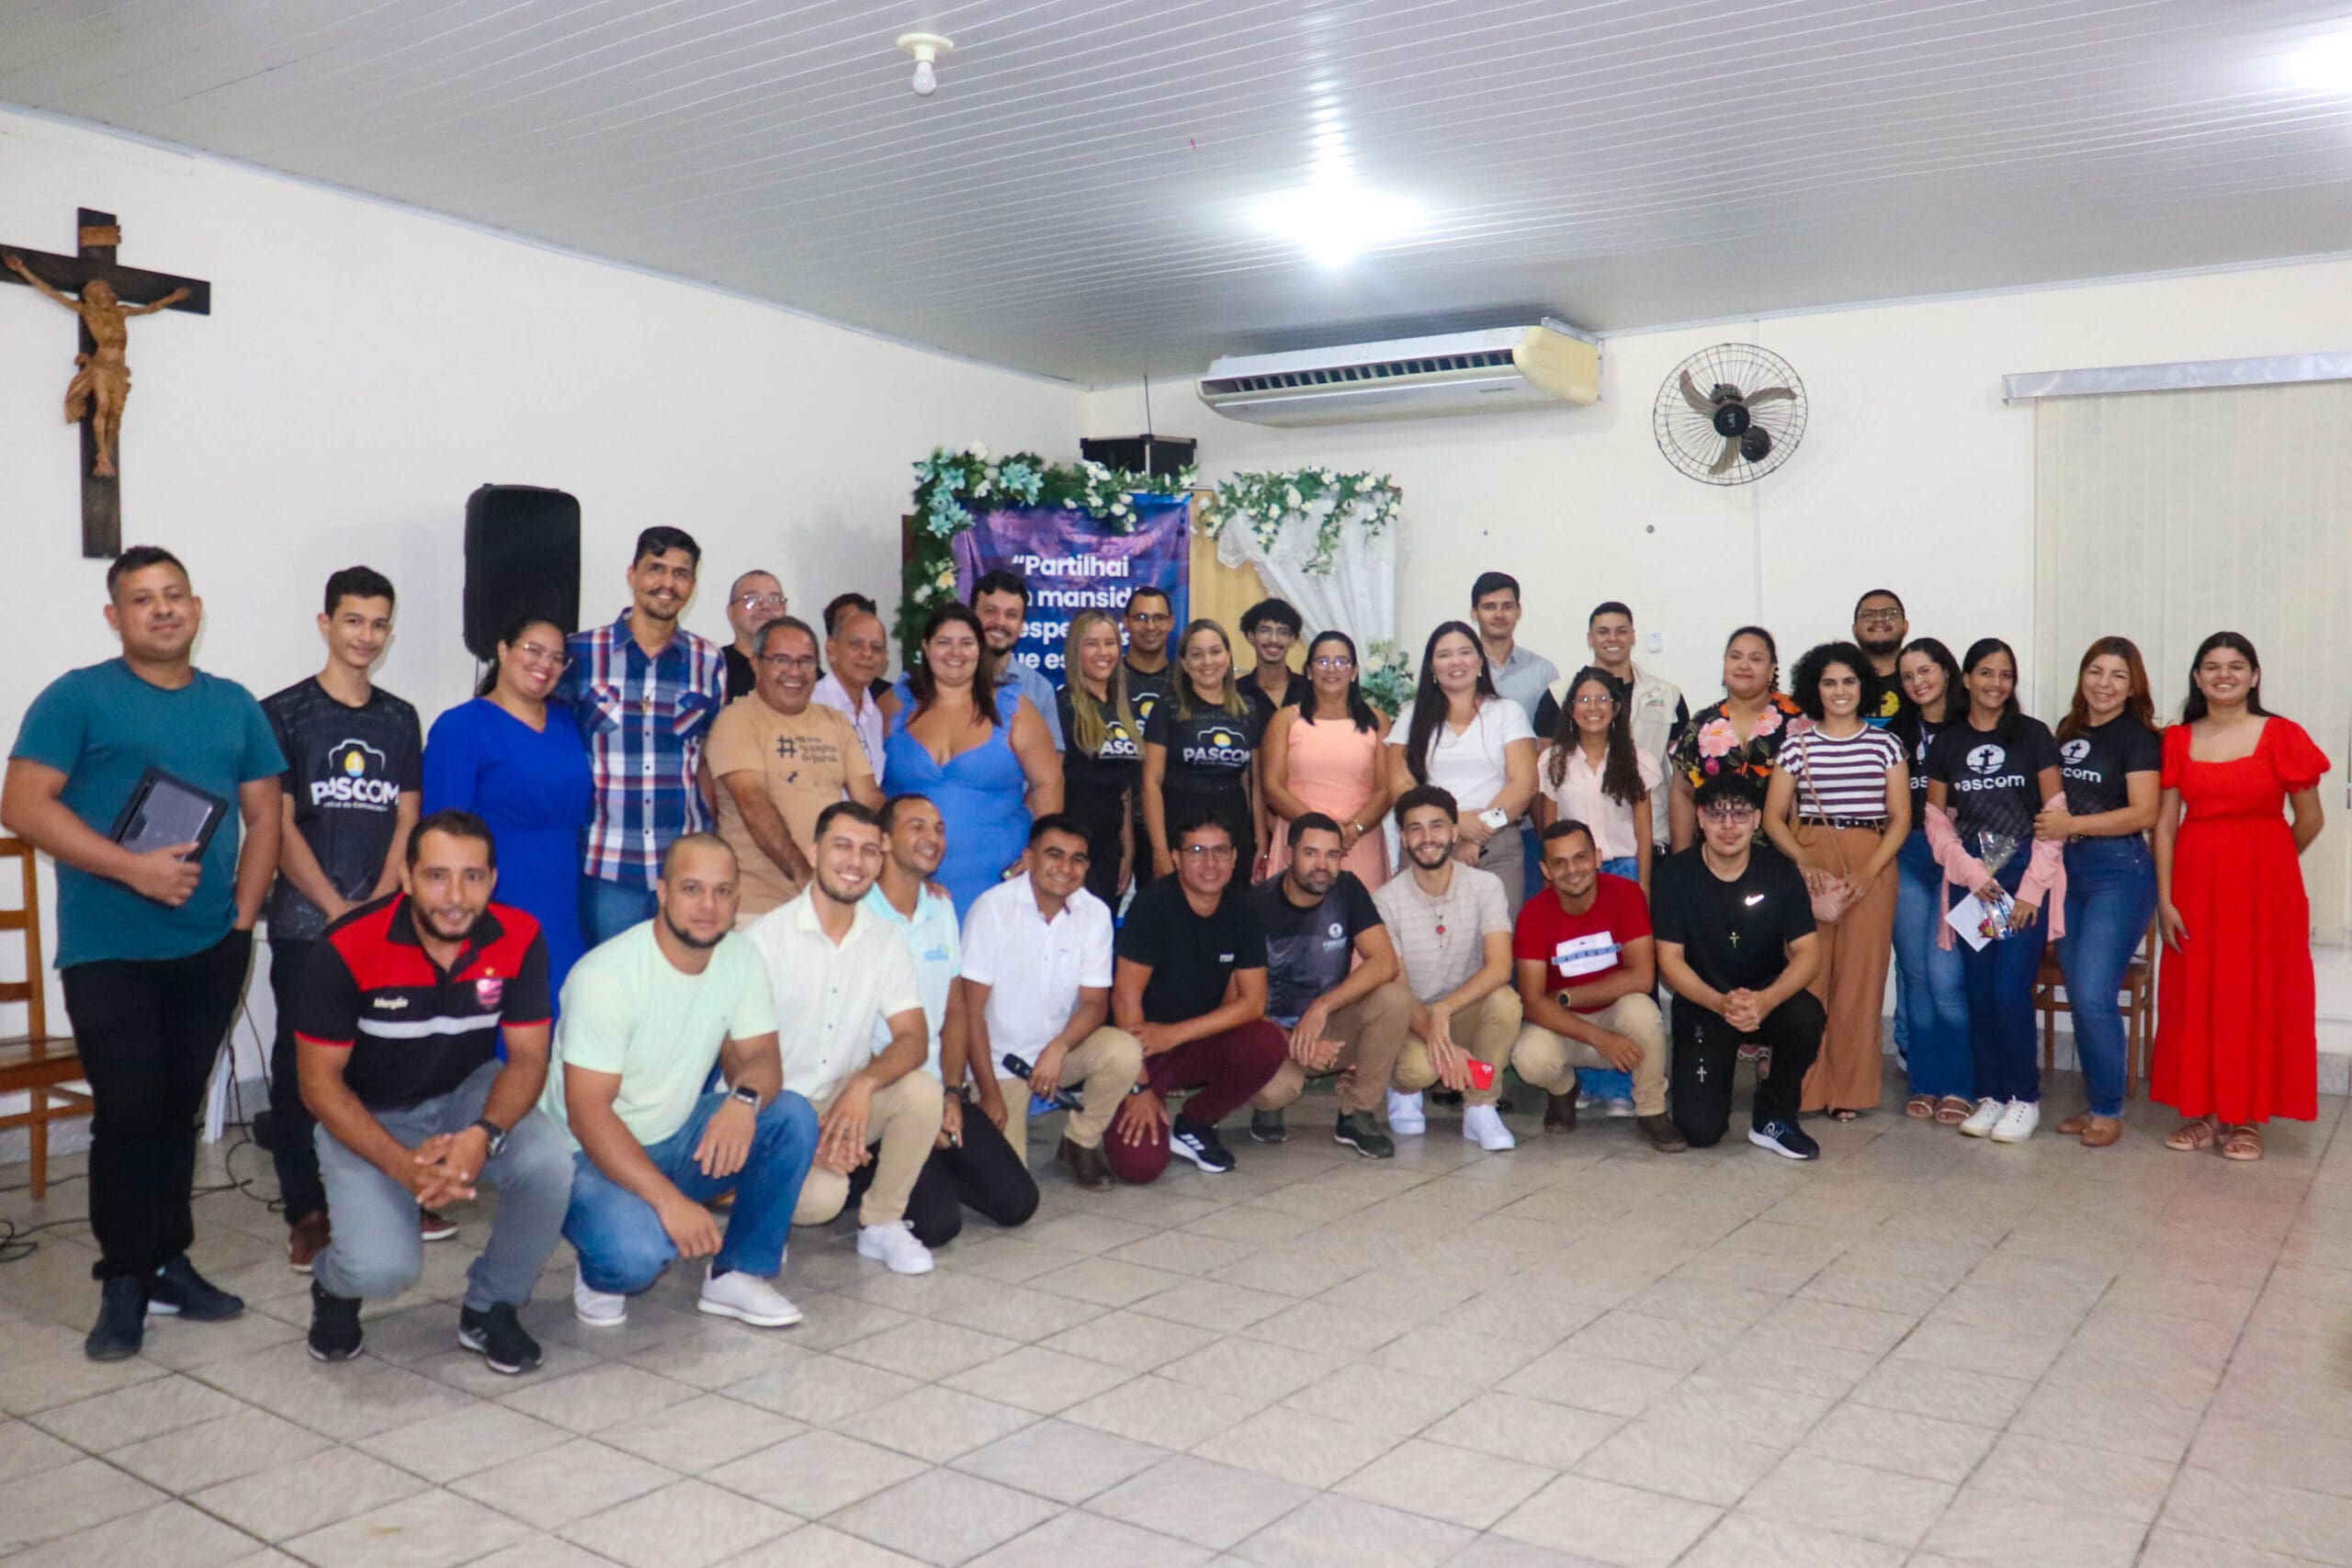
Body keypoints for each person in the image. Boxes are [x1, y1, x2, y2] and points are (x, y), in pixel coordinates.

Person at [3, 546, 284, 1361]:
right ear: (114, 616)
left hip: (210, 946)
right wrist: (132, 869)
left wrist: (242, 917)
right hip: (110, 948)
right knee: (128, 1112)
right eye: (142, 598)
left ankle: (169, 1261)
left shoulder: (234, 705)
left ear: (196, 608)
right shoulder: (77, 697)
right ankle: (123, 1279)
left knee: (176, 1108)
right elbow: (21, 803)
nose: (162, 609)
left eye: (174, 595)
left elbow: (266, 816)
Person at [291, 811, 572, 1371]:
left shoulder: (519, 936)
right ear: (407, 877)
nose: (456, 897)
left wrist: (482, 1136)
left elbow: (527, 1059)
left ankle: (491, 1306)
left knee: (549, 1162)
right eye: (437, 876)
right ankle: (334, 1285)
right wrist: (405, 1168)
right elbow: (318, 1085)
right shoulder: (347, 946)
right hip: (366, 1112)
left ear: (493, 880)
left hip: (464, 1095)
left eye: (473, 877)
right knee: (383, 1271)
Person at [548, 835, 819, 1328]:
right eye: (692, 889)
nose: (708, 906)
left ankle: (737, 1273)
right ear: (663, 892)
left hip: (672, 1136)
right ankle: (599, 1268)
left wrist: (742, 1101)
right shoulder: (606, 976)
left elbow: (762, 1060)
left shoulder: (740, 958)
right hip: (583, 1154)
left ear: (737, 900)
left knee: (790, 1116)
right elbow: (588, 1115)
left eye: (722, 891)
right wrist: (670, 1203)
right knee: (636, 1256)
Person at [261, 567, 424, 1272]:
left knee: (385, 1059)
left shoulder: (400, 717)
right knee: (302, 1066)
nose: (367, 635)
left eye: (379, 623)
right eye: (354, 620)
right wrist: (335, 909)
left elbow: (407, 820)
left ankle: (393, 1185)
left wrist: (380, 907)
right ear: (326, 623)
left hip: (385, 922)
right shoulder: (283, 713)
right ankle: (308, 1210)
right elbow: (275, 824)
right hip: (307, 924)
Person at [744, 801, 947, 1272]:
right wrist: (800, 1135)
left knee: (921, 1090)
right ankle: (746, 1210)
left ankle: (882, 1224)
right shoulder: (764, 940)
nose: (856, 862)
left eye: (869, 851)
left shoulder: (885, 939)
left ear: (880, 861)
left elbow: (913, 1038)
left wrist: (862, 1085)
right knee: (823, 1199)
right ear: (814, 853)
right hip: (771, 1109)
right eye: (842, 846)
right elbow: (743, 1060)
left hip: (838, 1097)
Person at [2154, 633, 2329, 1162]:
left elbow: (2310, 819)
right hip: (2195, 889)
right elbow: (2164, 826)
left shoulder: (2282, 735)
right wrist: (2165, 899)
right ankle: (2206, 1113)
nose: (2223, 675)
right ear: (2197, 677)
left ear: (2254, 676)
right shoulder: (2178, 739)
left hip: (2265, 894)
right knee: (2199, 996)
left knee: (2255, 996)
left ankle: (2246, 1116)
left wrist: (2268, 868)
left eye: (2235, 666)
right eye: (2211, 666)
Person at [866, 795, 1038, 1230]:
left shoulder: (940, 907)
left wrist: (952, 1093)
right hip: (885, 1094)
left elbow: (955, 1012)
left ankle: (925, 1165)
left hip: (936, 1087)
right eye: (917, 827)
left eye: (939, 829)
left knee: (1018, 1202)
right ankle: (868, 1170)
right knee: (937, 1225)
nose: (933, 837)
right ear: (883, 841)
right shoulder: (857, 910)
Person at [1924, 637, 2065, 1145]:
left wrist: (2030, 891)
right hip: (1975, 884)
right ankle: (1991, 1096)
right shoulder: (1948, 743)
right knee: (1981, 995)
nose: (1996, 683)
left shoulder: (2033, 735)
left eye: (2006, 674)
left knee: (2009, 993)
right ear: (1966, 679)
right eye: (1986, 673)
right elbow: (1936, 820)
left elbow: (2055, 816)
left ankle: (2024, 1099)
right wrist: (1969, 872)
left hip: (2023, 879)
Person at [560, 525, 727, 946]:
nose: (667, 583)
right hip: (607, 865)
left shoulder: (709, 661)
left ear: (692, 585)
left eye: (681, 573)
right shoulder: (580, 653)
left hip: (685, 867)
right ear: (632, 574)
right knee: (611, 979)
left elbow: (707, 759)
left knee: (684, 979)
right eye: (656, 568)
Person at [959, 816, 1147, 1190]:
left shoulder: (1094, 913)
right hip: (997, 1065)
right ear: (1029, 858)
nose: (1066, 868)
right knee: (1009, 1191)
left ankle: (1079, 1144)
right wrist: (990, 1093)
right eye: (1054, 855)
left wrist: (1058, 1048)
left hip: (1056, 1055)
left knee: (1124, 1051)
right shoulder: (993, 908)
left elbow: (1095, 1004)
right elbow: (969, 1011)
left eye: (1078, 859)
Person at [1764, 642, 1907, 1122]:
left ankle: (1850, 1092)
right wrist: (1803, 859)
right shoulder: (1796, 745)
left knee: (1861, 983)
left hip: (1873, 859)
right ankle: (1803, 1090)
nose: (1840, 691)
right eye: (1829, 682)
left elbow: (1901, 819)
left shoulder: (1886, 744)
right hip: (1810, 860)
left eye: (1849, 681)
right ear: (1815, 689)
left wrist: (1870, 870)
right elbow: (1773, 817)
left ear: (1863, 686)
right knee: (1809, 977)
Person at [1108, 808, 1288, 1181]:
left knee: (1267, 1041)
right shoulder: (1153, 906)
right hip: (1141, 1048)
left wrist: (1175, 1034)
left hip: (1191, 1040)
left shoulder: (1242, 910)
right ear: (1176, 858)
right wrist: (1138, 1085)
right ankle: (1114, 1103)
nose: (1210, 863)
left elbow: (1253, 1003)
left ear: (1234, 857)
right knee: (1140, 1167)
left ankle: (1196, 1123)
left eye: (1220, 851)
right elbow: (1125, 1000)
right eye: (1196, 851)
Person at [1651, 773, 1826, 1158]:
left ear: (1757, 819)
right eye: (1717, 814)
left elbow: (1809, 953)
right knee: (1700, 1131)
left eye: (1740, 814)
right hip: (1704, 1002)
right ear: (1699, 818)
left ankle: (1774, 1115)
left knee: (1807, 1016)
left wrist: (1766, 1000)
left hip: (1766, 999)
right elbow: (1669, 963)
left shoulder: (1779, 871)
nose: (1728, 826)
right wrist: (1720, 1003)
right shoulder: (1674, 876)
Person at [424, 615, 596, 998]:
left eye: (557, 658)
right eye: (534, 650)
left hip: (565, 896)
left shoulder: (568, 722)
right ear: (503, 651)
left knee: (562, 1004)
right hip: (495, 897)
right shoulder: (461, 726)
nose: (545, 664)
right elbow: (440, 832)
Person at [2037, 638, 2163, 1148]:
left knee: (2092, 992)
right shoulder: (2066, 730)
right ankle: (2095, 1104)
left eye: (2117, 675)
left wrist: (2072, 825)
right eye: (2095, 671)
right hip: (2066, 873)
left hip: (2118, 872)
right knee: (2081, 988)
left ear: (2133, 686)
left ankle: (2109, 1109)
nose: (2103, 683)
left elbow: (2144, 813)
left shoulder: (2139, 737)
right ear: (2082, 675)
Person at [1509, 819, 1684, 1152]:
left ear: (1597, 857)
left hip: (1613, 1013)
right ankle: (1563, 1090)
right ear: (1545, 870)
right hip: (1565, 1025)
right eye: (1559, 863)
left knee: (1643, 1012)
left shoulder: (1626, 894)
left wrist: (1565, 996)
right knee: (1528, 1057)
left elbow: (1642, 976)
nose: (1572, 870)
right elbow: (1531, 1002)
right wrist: (1599, 1038)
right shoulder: (1533, 914)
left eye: (1580, 858)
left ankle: (1651, 1109)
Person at [1244, 815, 1413, 1156]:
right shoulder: (1255, 905)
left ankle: (1357, 1112)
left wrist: (1322, 1008)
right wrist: (1292, 1041)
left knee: (1394, 997)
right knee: (1276, 1091)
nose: (1322, 865)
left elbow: (1384, 962)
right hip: (1270, 1033)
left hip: (1329, 1026)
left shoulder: (1347, 889)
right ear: (1289, 855)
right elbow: (1240, 1003)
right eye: (1311, 853)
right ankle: (1266, 1110)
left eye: (1332, 855)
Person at [884, 603, 1061, 917]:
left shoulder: (1014, 707)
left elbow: (1049, 781)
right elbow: (863, 783)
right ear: (926, 647)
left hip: (998, 883)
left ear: (980, 648)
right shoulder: (894, 704)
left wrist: (1040, 851)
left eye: (966, 643)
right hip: (907, 881)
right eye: (944, 642)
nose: (955, 653)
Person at [1374, 787, 1524, 1151]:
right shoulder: (1384, 901)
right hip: (1411, 1018)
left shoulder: (1486, 886)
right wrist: (1438, 1036)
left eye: (1437, 826)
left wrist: (1444, 1010)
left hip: (1462, 1009)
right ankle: (1403, 1091)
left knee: (1505, 1002)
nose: (1427, 838)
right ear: (1403, 838)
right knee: (1417, 1070)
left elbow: (1500, 967)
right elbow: (1398, 991)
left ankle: (1481, 1107)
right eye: (1415, 829)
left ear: (1455, 832)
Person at [707, 615, 882, 923]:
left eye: (805, 661)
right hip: (757, 909)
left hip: (827, 904)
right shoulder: (736, 721)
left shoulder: (835, 722)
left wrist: (905, 860)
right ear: (756, 664)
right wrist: (806, 879)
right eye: (781, 660)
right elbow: (754, 806)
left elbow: (870, 799)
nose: (794, 671)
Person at [1385, 622, 1539, 908]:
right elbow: (1399, 786)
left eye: (1465, 652)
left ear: (1480, 661)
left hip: (1496, 844)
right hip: (1427, 844)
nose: (1456, 661)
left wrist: (1478, 833)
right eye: (1444, 655)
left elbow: (1524, 784)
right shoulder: (1410, 717)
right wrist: (1454, 821)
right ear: (1431, 667)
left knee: (1496, 934)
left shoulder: (1507, 712)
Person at [1886, 637, 1973, 1124]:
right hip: (1908, 855)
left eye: (1925, 671)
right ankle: (1925, 1081)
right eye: (1908, 676)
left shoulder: (1971, 726)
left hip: (1958, 861)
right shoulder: (1896, 733)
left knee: (1946, 978)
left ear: (1947, 671)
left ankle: (1960, 1084)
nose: (1917, 682)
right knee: (1916, 975)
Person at [1542, 602, 1686, 855]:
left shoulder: (1667, 694)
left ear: (1633, 636)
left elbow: (1681, 775)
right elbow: (1545, 777)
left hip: (1653, 833)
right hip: (1580, 844)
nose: (1612, 639)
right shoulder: (1558, 695)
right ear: (1590, 638)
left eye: (1621, 631)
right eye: (1603, 632)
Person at [1261, 630, 1391, 888]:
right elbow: (1272, 787)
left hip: (1357, 841)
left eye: (1341, 662)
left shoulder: (1377, 721)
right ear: (1309, 671)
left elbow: (1385, 790)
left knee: (1360, 911)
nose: (1332, 669)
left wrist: (1351, 830)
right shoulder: (1286, 720)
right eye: (1322, 661)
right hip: (1301, 840)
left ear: (1354, 671)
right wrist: (1319, 830)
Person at [1668, 626, 1810, 852]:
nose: (1744, 665)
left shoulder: (1801, 718)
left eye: (1755, 659)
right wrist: (1682, 861)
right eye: (1735, 657)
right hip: (1718, 854)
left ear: (1772, 668)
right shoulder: (1702, 724)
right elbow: (1683, 794)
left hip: (1791, 852)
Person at [1142, 619, 1264, 877]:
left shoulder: (1248, 708)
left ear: (1228, 656)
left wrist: (1260, 843)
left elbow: (1253, 785)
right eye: (1197, 655)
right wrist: (1160, 851)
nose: (1207, 662)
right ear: (1184, 663)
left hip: (1233, 825)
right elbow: (1150, 782)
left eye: (1215, 652)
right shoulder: (1168, 708)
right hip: (1180, 821)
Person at [1535, 667, 1662, 896]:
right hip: (1572, 873)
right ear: (1571, 709)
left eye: (1602, 699)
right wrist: (1550, 885)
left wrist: (1644, 886)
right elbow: (1550, 830)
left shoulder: (1638, 762)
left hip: (1625, 871)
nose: (1593, 707)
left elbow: (1644, 833)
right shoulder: (1552, 761)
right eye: (1584, 700)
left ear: (1615, 708)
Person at [1056, 609, 1143, 908]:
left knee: (1102, 928)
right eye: (1091, 643)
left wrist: (1128, 850)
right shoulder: (1063, 706)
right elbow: (1050, 782)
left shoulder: (1123, 708)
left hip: (1110, 847)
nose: (1103, 652)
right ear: (1075, 651)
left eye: (1110, 643)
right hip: (1072, 844)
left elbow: (1124, 788)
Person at [973, 569, 1067, 750]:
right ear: (971, 616)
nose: (1000, 622)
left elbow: (1052, 761)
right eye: (990, 611)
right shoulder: (949, 681)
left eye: (1011, 615)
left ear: (1022, 626)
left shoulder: (1039, 690)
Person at [814, 606, 897, 786]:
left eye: (876, 648)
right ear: (831, 650)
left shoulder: (875, 715)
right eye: (856, 644)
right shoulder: (811, 706)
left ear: (884, 659)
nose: (867, 654)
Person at [1471, 571, 1560, 725]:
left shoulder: (1543, 672)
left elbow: (1554, 731)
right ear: (1474, 613)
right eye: (1489, 607)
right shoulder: (1461, 669)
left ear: (1518, 611)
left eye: (1507, 606)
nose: (1499, 615)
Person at [1238, 597, 1312, 729]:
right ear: (1251, 636)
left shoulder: (1310, 690)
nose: (1273, 639)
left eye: (1282, 632)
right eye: (1265, 630)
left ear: (1292, 638)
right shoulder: (1236, 693)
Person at [720, 570, 789, 701]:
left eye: (774, 599)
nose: (765, 606)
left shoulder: (800, 668)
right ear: (730, 612)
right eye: (752, 599)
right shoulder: (714, 668)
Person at [1851, 590, 1910, 725]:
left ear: (1905, 626)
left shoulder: (1923, 680)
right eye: (1868, 615)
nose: (1879, 620)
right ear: (1855, 630)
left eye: (1890, 614)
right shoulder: (1839, 681)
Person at [1121, 585, 1177, 725]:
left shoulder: (1185, 681)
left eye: (1159, 618)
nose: (1150, 626)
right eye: (1141, 617)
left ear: (1171, 623)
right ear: (1126, 623)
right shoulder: (1109, 678)